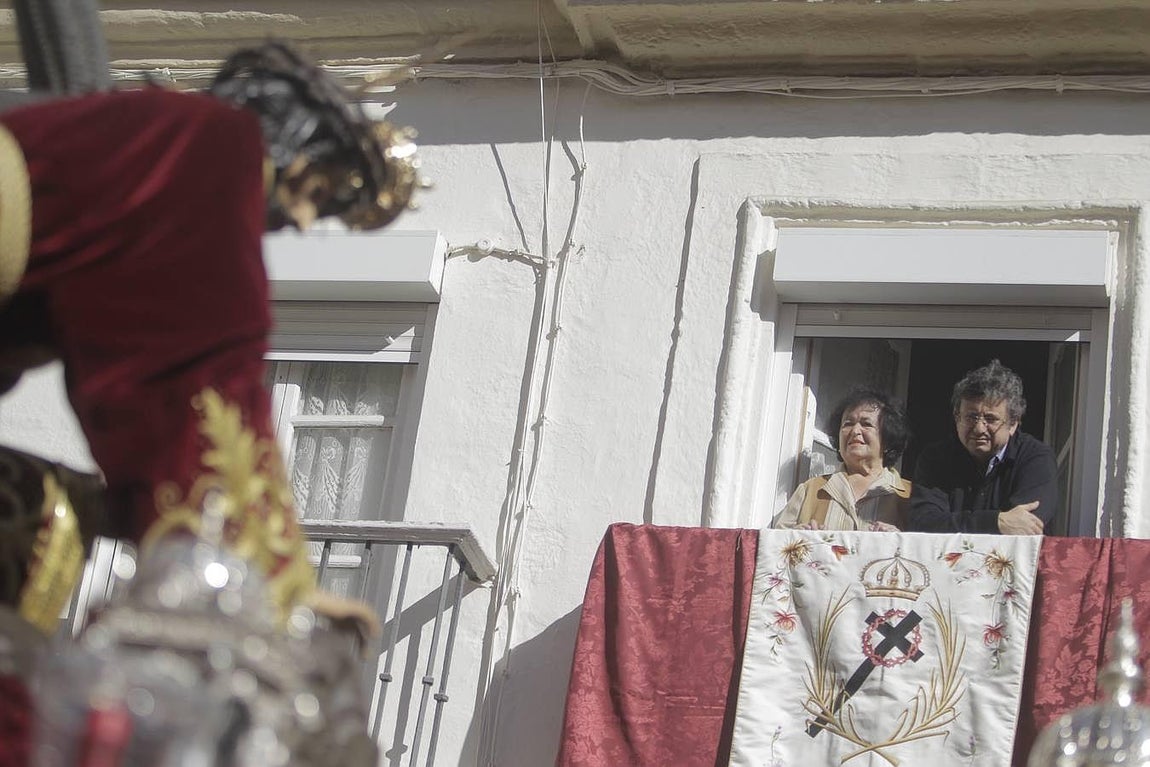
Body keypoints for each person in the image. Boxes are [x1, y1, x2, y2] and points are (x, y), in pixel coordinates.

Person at [0, 41, 417, 633]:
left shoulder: (153, 138)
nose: (299, 223)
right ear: (299, 151)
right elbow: (198, 374)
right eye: (317, 196)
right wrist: (276, 584)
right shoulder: (210, 150)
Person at [908, 359, 1057, 535]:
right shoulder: (935, 458)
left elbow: (1025, 527)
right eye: (971, 417)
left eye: (991, 419)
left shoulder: (1035, 458)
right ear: (957, 418)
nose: (979, 429)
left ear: (1013, 424)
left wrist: (956, 524)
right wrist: (995, 522)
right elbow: (923, 525)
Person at [772, 387, 912, 531]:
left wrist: (901, 541)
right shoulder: (810, 490)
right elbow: (776, 546)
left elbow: (930, 549)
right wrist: (799, 537)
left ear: (888, 439)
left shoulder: (910, 496)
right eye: (848, 424)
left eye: (866, 424)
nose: (855, 431)